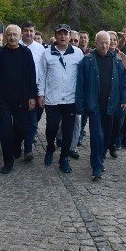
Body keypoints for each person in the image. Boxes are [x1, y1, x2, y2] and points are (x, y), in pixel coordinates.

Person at [76, 31, 126, 181]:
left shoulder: (117, 61)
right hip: (94, 106)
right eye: (102, 43)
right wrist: (80, 106)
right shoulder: (87, 61)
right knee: (97, 135)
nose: (105, 45)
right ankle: (96, 166)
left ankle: (100, 158)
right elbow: (80, 84)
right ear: (96, 43)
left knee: (106, 135)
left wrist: (125, 101)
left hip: (111, 105)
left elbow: (124, 84)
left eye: (107, 42)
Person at [0, 25, 37, 174]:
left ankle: (16, 146)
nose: (12, 37)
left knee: (22, 128)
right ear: (6, 35)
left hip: (21, 98)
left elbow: (31, 76)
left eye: (15, 34)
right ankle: (8, 161)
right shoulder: (0, 53)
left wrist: (32, 96)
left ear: (20, 36)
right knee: (5, 130)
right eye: (9, 34)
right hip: (3, 99)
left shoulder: (26, 53)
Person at [37, 23, 84, 174]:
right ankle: (50, 147)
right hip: (52, 98)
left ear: (70, 36)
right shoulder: (47, 53)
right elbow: (42, 75)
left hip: (70, 99)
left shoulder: (77, 53)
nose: (63, 36)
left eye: (66, 34)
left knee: (68, 130)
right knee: (51, 128)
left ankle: (64, 158)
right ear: (55, 35)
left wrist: (81, 97)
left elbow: (81, 77)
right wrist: (41, 94)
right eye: (60, 33)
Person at [20, 21, 45, 161]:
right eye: (26, 30)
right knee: (21, 120)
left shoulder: (40, 49)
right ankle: (22, 144)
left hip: (35, 88)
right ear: (22, 31)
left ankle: (28, 147)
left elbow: (43, 71)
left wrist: (42, 91)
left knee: (34, 119)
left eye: (31, 31)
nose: (28, 33)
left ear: (34, 32)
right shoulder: (15, 45)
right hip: (18, 89)